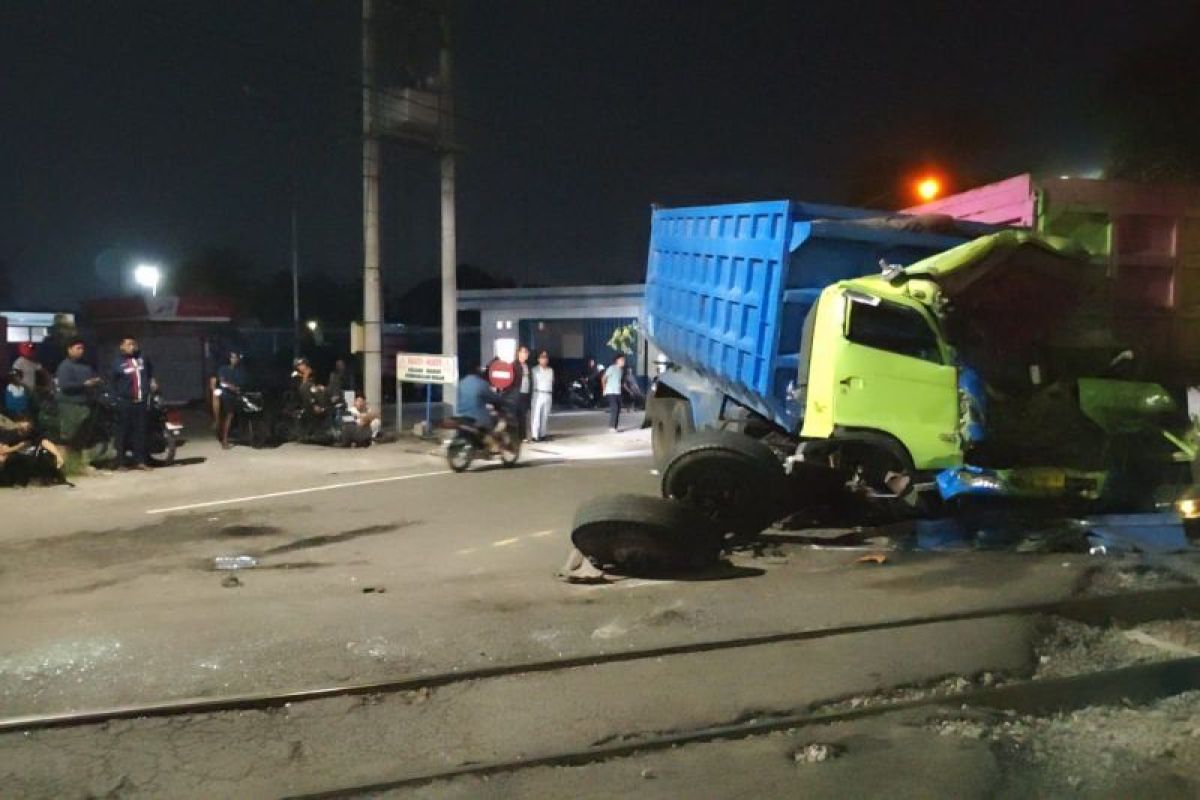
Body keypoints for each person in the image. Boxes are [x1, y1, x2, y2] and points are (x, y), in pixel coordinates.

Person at [110, 337, 155, 470]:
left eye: (134, 344)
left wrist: (152, 382)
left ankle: (140, 461)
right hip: (125, 402)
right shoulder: (117, 363)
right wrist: (115, 400)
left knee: (140, 432)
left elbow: (150, 372)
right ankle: (121, 462)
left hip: (141, 401)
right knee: (123, 433)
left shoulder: (143, 358)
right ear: (122, 347)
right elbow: (112, 382)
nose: (132, 347)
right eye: (128, 344)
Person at [54, 338, 100, 448]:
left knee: (84, 436)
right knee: (71, 436)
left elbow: (92, 377)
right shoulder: (65, 366)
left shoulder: (86, 365)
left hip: (85, 405)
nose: (81, 351)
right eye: (78, 348)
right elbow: (65, 385)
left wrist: (96, 382)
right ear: (69, 349)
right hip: (70, 406)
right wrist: (84, 384)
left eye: (82, 348)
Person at [0, 416, 66, 486]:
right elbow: (2, 450)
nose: (26, 426)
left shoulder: (34, 434)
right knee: (7, 459)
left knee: (45, 454)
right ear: (18, 424)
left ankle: (48, 477)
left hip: (32, 461)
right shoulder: (10, 434)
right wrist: (18, 447)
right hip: (17, 462)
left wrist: (58, 456)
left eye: (28, 425)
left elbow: (45, 442)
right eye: (23, 423)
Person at [216, 351, 247, 449]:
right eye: (232, 357)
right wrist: (231, 387)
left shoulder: (240, 371)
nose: (234, 359)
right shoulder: (223, 369)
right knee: (229, 416)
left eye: (236, 358)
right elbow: (222, 382)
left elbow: (243, 383)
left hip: (238, 395)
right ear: (229, 358)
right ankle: (224, 440)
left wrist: (239, 389)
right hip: (227, 395)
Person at [530, 350, 554, 442]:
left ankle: (543, 434)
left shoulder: (550, 370)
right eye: (542, 357)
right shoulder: (534, 370)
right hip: (538, 394)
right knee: (536, 415)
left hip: (548, 394)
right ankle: (535, 435)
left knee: (545, 416)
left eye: (546, 357)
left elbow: (552, 382)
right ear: (538, 359)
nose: (545, 359)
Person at [513, 345, 532, 442]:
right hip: (517, 393)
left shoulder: (527, 366)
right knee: (516, 415)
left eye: (527, 352)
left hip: (526, 393)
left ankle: (522, 436)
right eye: (524, 352)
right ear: (518, 353)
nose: (526, 354)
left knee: (523, 416)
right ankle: (516, 436)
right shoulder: (514, 365)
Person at [603, 354, 626, 432]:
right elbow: (603, 378)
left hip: (618, 392)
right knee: (615, 408)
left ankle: (615, 427)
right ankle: (611, 427)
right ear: (617, 361)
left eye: (624, 360)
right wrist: (604, 389)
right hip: (610, 391)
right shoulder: (611, 368)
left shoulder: (621, 370)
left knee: (618, 408)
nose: (623, 361)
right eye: (622, 360)